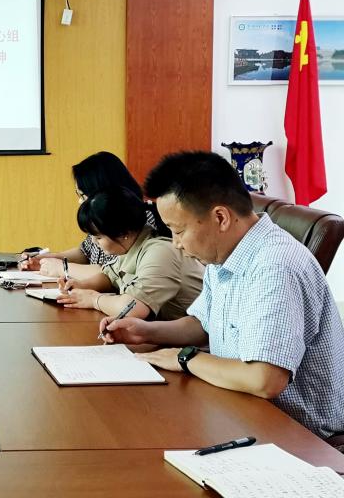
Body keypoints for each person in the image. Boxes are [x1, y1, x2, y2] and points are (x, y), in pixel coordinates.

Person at [101, 151, 344, 441]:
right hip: (238, 409)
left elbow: (264, 379)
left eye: (178, 231)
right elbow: (203, 324)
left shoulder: (275, 266)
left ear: (220, 217)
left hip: (299, 435)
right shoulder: (224, 253)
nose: (176, 244)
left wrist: (185, 358)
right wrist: (144, 331)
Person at [57, 187, 202, 320]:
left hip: (195, 338)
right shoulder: (132, 247)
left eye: (99, 237)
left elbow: (132, 308)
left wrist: (93, 299)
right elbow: (110, 276)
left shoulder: (160, 252)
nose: (94, 242)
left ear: (123, 233)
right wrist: (81, 285)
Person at [20, 151, 158, 278]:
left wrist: (62, 268)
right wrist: (48, 259)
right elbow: (85, 252)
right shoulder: (99, 216)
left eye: (83, 195)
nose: (80, 201)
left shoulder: (139, 218)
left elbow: (113, 273)